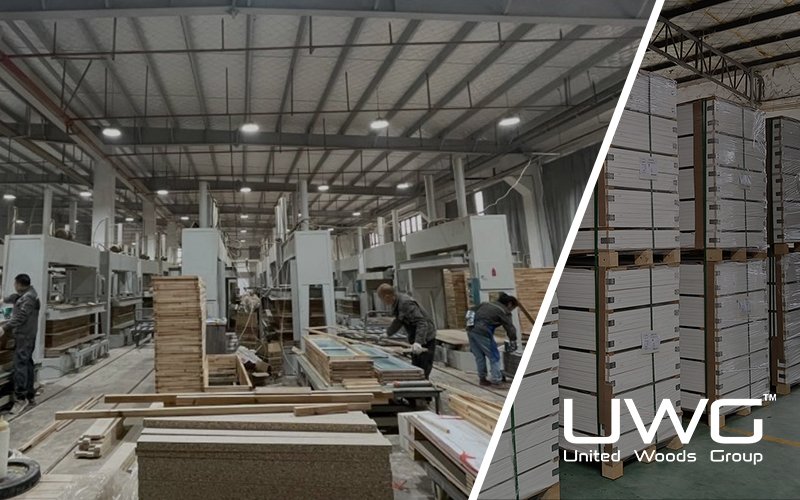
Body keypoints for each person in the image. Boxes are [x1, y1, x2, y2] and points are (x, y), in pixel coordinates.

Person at [0, 274, 41, 415]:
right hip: (27, 336)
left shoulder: (28, 298)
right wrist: (3, 300)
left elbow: (20, 317)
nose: (14, 286)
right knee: (27, 363)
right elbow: (14, 298)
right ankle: (30, 396)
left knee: (20, 365)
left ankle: (20, 398)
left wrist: (4, 328)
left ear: (18, 284)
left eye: (15, 283)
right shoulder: (28, 294)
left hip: (25, 336)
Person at [377, 284, 437, 378]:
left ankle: (423, 388)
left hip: (426, 338)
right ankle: (417, 386)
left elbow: (421, 322)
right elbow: (399, 320)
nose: (383, 302)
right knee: (415, 368)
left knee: (423, 369)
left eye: (382, 299)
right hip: (415, 337)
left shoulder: (405, 303)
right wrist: (388, 333)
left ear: (387, 296)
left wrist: (418, 342)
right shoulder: (397, 303)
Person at [466, 292, 519, 386]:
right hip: (483, 331)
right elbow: (509, 327)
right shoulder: (503, 311)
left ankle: (482, 379)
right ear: (510, 304)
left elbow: (470, 311)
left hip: (470, 330)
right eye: (512, 308)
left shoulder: (486, 304)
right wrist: (513, 340)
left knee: (479, 356)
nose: (511, 310)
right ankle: (496, 379)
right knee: (494, 356)